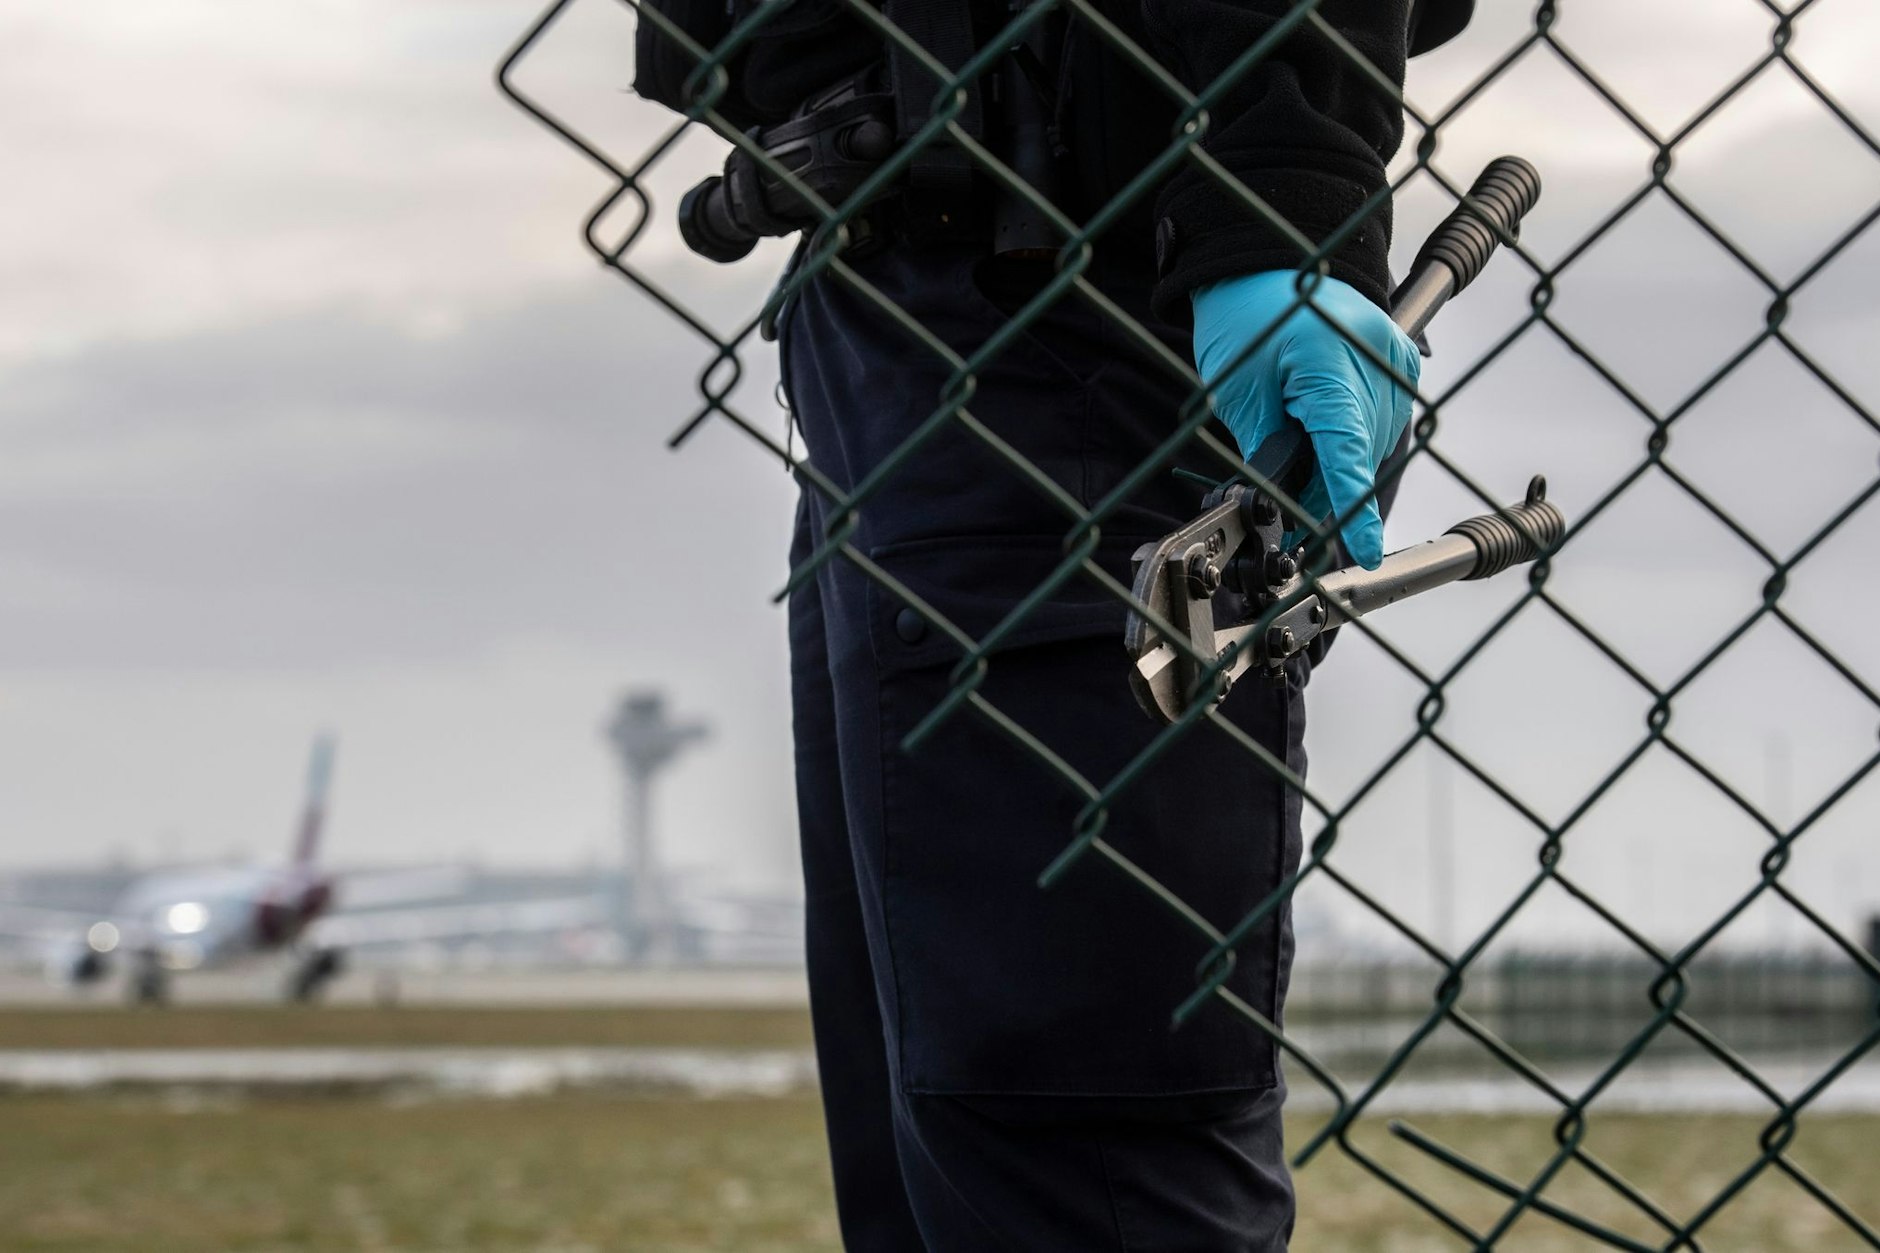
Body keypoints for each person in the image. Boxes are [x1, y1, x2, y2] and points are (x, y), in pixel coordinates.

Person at [637, 2, 1472, 1247]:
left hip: (1083, 290)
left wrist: (1281, 191)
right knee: (946, 1153)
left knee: (1079, 1170)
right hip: (882, 320)